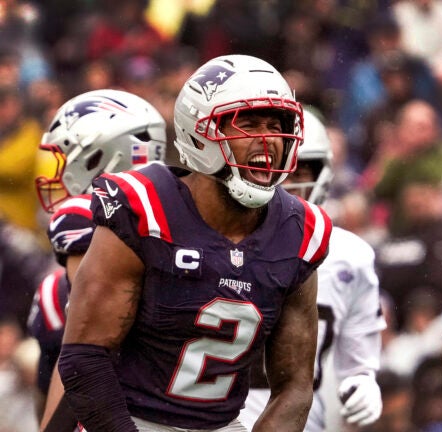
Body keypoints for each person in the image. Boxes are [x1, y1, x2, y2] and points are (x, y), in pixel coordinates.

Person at [57, 54, 332, 431]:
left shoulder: (300, 231)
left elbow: (294, 387)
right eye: (247, 123)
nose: (267, 139)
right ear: (200, 131)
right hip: (127, 419)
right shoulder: (146, 208)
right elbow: (84, 358)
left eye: (276, 124)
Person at [27, 88, 168, 430]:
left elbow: (83, 353)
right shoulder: (188, 218)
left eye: (68, 157)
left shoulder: (80, 215)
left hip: (117, 410)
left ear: (102, 156)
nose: (59, 173)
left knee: (53, 301)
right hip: (202, 412)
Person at [238, 110, 386, 431]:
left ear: (324, 174)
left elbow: (357, 364)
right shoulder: (217, 242)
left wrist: (363, 382)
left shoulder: (350, 256)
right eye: (276, 170)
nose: (284, 185)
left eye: (298, 172)